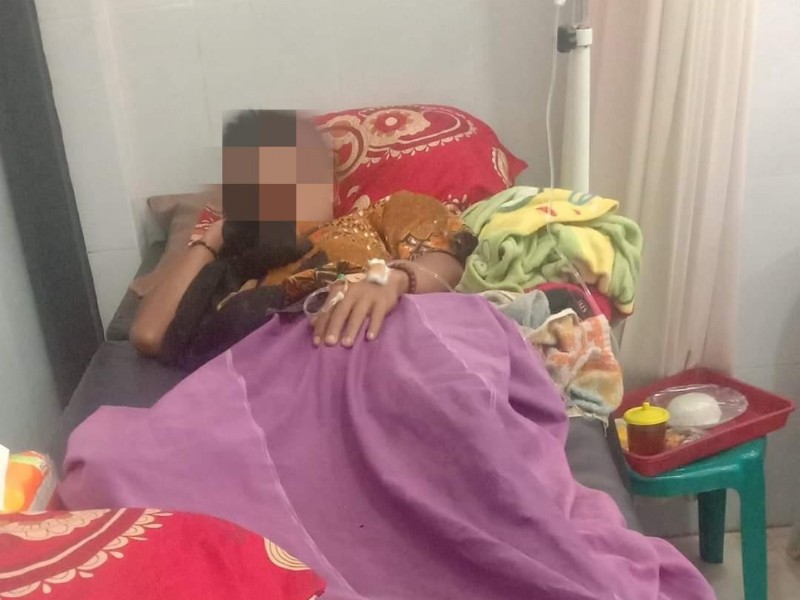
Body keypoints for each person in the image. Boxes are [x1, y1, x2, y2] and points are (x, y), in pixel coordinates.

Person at [130, 110, 477, 370]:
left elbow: (446, 263)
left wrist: (387, 278)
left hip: (376, 358)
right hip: (269, 390)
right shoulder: (236, 268)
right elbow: (149, 334)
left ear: (331, 188)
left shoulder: (380, 215)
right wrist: (214, 237)